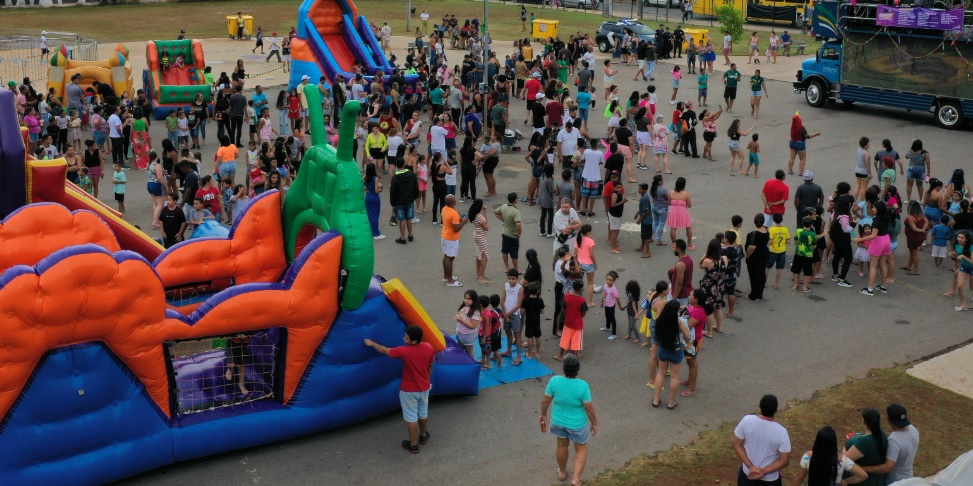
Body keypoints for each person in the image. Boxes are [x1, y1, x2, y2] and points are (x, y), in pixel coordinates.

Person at [363, 326, 434, 454]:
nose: (403, 338)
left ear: (413, 341)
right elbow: (430, 365)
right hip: (424, 387)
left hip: (409, 390)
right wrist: (426, 379)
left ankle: (413, 445)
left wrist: (372, 343)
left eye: (406, 337)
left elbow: (385, 350)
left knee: (411, 417)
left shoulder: (404, 351)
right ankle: (423, 436)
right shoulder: (428, 347)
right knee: (423, 412)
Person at [540, 354, 598, 486]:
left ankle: (562, 472)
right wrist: (594, 423)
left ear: (564, 367)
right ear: (577, 369)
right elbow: (589, 408)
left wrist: (543, 414)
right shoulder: (583, 385)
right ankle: (576, 479)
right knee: (581, 449)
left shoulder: (554, 381)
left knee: (561, 445)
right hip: (577, 424)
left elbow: (545, 400)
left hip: (558, 421)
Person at [732, 394, 791, 485]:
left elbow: (737, 444)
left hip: (747, 474)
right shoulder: (781, 432)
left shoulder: (747, 420)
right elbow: (784, 460)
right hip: (770, 479)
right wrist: (764, 471)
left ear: (760, 406)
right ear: (776, 410)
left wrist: (750, 467)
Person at [858, 404, 920, 483]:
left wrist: (862, 469)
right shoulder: (913, 430)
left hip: (895, 482)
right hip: (908, 478)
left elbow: (887, 467)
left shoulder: (894, 441)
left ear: (888, 419)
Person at [792, 426, 868, 486]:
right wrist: (846, 481)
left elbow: (800, 478)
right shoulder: (842, 460)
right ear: (834, 443)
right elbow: (863, 475)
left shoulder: (808, 457)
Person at [650, 300, 691, 409]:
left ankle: (656, 399)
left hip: (663, 349)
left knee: (660, 373)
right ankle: (671, 402)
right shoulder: (678, 322)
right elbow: (688, 336)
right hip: (676, 351)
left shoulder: (660, 320)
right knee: (674, 376)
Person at [842, 408, 889, 486]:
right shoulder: (881, 434)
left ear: (864, 421)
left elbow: (845, 460)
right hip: (877, 479)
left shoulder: (866, 441)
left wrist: (845, 445)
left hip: (863, 481)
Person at [555, 279, 588, 361]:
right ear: (581, 289)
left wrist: (567, 315)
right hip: (577, 324)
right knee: (575, 342)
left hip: (567, 322)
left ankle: (560, 356)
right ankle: (570, 358)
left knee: (564, 340)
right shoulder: (582, 300)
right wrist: (579, 317)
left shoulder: (566, 296)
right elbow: (583, 312)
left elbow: (563, 308)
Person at [441, 195, 468, 287]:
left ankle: (446, 276)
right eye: (454, 199)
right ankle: (450, 280)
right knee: (450, 258)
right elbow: (456, 228)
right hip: (452, 238)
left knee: (446, 256)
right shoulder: (453, 213)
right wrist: (463, 222)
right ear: (453, 202)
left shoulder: (444, 209)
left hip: (444, 235)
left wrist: (459, 218)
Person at [390, 158, 419, 244]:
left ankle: (402, 238)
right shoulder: (411, 174)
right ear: (404, 164)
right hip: (410, 200)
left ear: (396, 166)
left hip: (399, 202)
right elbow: (415, 186)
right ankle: (410, 235)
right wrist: (415, 196)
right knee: (409, 218)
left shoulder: (395, 178)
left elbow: (393, 192)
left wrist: (393, 203)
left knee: (401, 219)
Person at [501, 268, 525, 365]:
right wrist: (505, 313)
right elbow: (502, 300)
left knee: (517, 335)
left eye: (513, 279)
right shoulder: (506, 286)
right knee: (508, 332)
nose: (511, 281)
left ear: (517, 279)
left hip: (514, 315)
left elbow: (518, 304)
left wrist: (508, 314)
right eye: (509, 278)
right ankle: (509, 350)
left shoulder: (520, 288)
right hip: (506, 313)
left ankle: (518, 356)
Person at [495, 192, 523, 273]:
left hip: (505, 233)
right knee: (514, 253)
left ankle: (507, 268)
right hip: (513, 235)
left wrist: (503, 219)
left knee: (505, 251)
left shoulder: (504, 206)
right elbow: (518, 224)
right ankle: (516, 269)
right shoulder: (516, 211)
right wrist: (519, 233)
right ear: (515, 200)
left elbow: (496, 212)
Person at [745, 214, 771, 301]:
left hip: (755, 257)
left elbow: (751, 247)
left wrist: (747, 256)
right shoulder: (766, 231)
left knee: (754, 275)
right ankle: (760, 293)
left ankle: (754, 295)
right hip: (764, 255)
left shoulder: (753, 234)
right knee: (761, 274)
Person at [669, 239, 694, 305]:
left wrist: (674, 298)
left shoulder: (680, 264)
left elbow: (679, 283)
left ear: (679, 249)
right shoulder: (688, 258)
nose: (672, 249)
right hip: (685, 292)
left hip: (681, 296)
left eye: (674, 247)